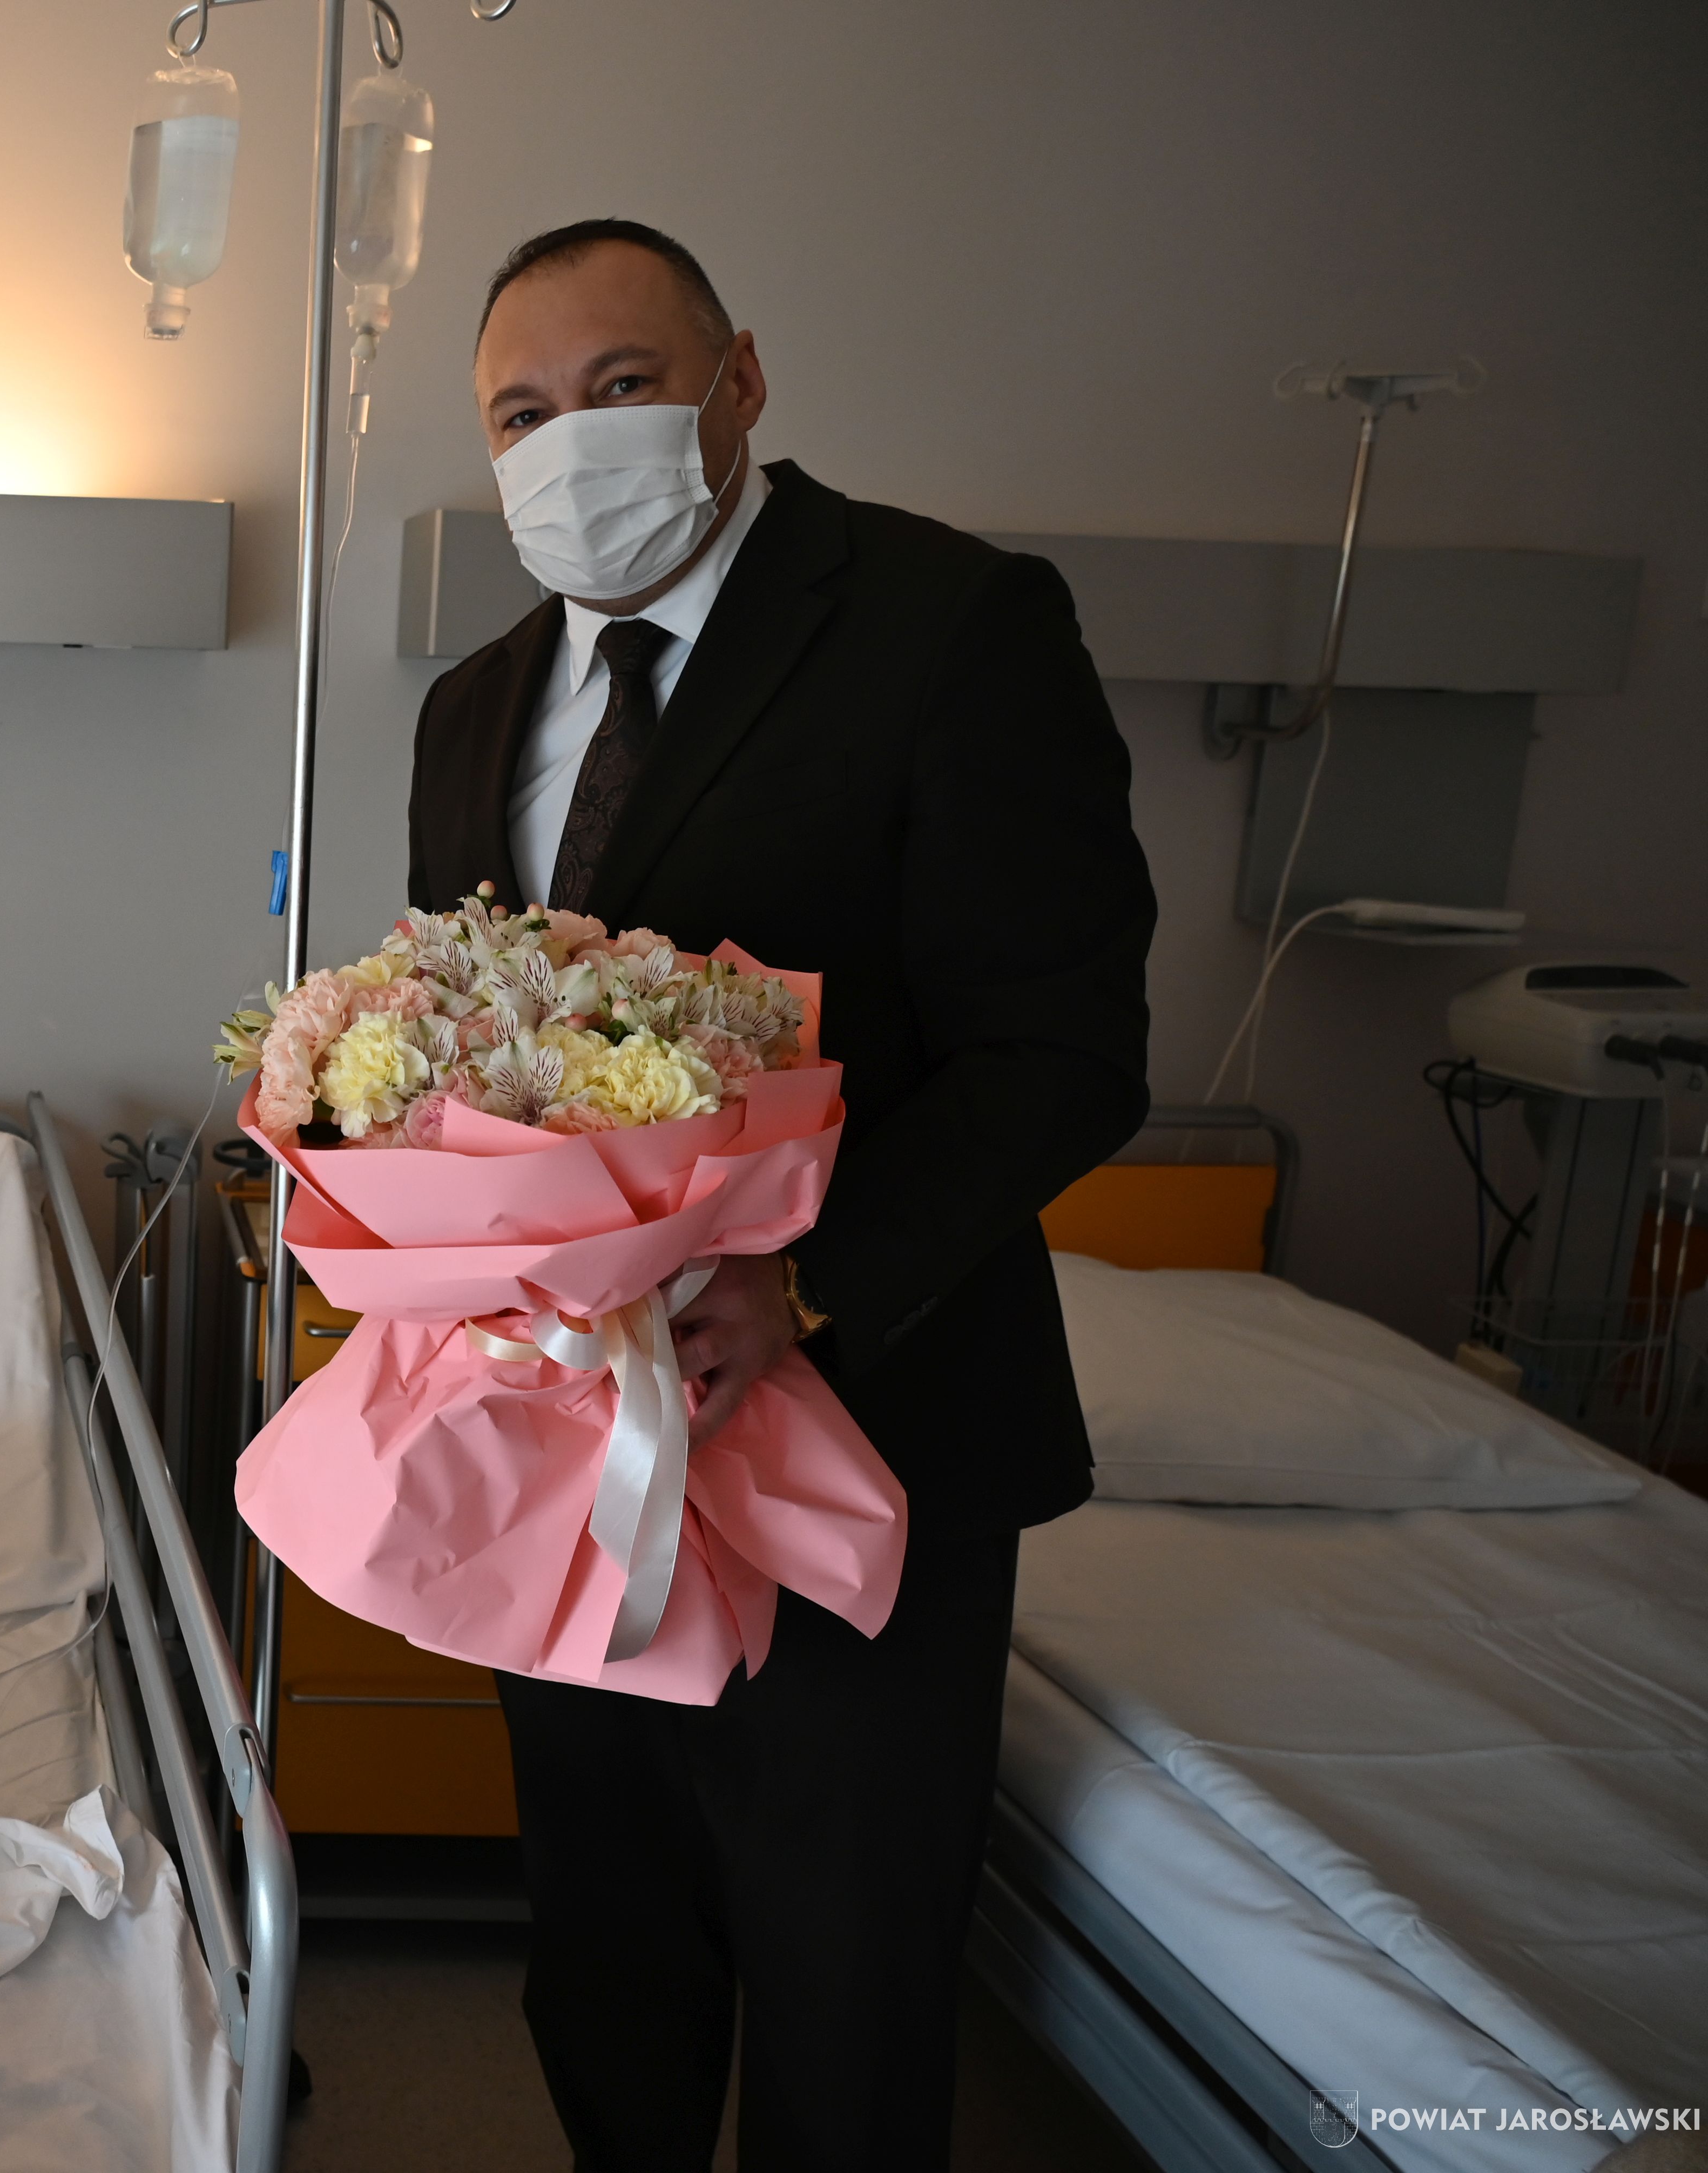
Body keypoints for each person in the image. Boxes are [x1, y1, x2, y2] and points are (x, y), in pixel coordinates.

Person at [407, 220, 1155, 2170]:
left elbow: (1061, 1047)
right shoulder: (472, 705)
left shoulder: (948, 626)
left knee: (846, 1982)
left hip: (869, 1425)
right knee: (608, 1957)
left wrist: (803, 1281)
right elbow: (472, 1055)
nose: (569, 441)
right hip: (580, 1451)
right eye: (520, 414)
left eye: (621, 386)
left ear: (737, 379)